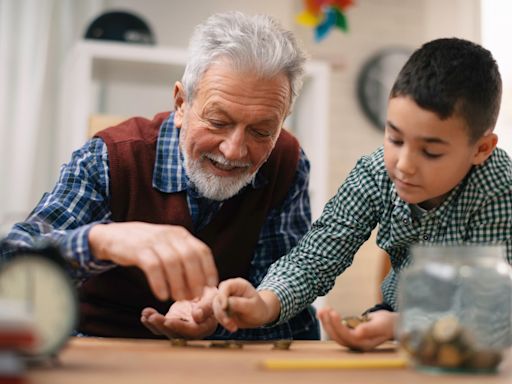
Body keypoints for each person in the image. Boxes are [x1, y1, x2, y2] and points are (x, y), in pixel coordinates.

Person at [0, 11, 320, 340]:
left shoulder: (286, 163)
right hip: (98, 353)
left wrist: (220, 322)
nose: (235, 150)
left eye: (262, 131)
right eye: (218, 121)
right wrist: (102, 241)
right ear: (181, 103)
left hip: (214, 366)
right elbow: (11, 266)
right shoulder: (111, 158)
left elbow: (292, 317)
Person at [212, 37, 511, 350]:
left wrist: (402, 326)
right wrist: (265, 302)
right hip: (397, 316)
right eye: (395, 139)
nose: (404, 165)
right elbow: (317, 257)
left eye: (431, 152)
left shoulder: (497, 184)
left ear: (481, 149)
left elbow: (491, 312)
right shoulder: (375, 172)